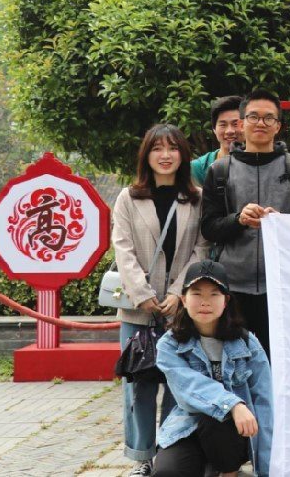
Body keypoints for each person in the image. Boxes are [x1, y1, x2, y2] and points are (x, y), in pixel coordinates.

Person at [111, 124, 210, 476]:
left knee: (177, 385)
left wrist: (179, 294)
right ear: (147, 155)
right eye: (157, 148)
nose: (165, 155)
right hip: (138, 312)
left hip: (181, 310)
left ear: (183, 155)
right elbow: (122, 249)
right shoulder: (128, 198)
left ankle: (171, 454)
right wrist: (143, 295)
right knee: (139, 387)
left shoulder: (196, 198)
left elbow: (201, 249)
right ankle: (142, 458)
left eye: (172, 148)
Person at [201, 89, 290, 361]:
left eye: (268, 118)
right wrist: (238, 220)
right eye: (253, 117)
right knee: (233, 363)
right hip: (232, 288)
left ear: (278, 126)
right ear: (242, 124)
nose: (260, 123)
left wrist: (283, 225)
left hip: (282, 288)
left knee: (278, 363)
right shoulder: (220, 171)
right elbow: (209, 227)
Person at [154, 260, 273, 477]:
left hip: (235, 434)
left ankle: (229, 473)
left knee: (217, 420)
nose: (205, 302)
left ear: (226, 301)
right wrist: (234, 404)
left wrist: (266, 470)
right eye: (197, 294)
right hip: (187, 427)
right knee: (167, 473)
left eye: (214, 294)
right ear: (184, 299)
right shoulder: (170, 345)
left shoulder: (247, 343)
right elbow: (188, 387)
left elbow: (265, 403)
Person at [191, 96, 244, 186]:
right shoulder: (198, 168)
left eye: (235, 124)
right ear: (214, 129)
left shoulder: (259, 164)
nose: (229, 131)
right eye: (223, 125)